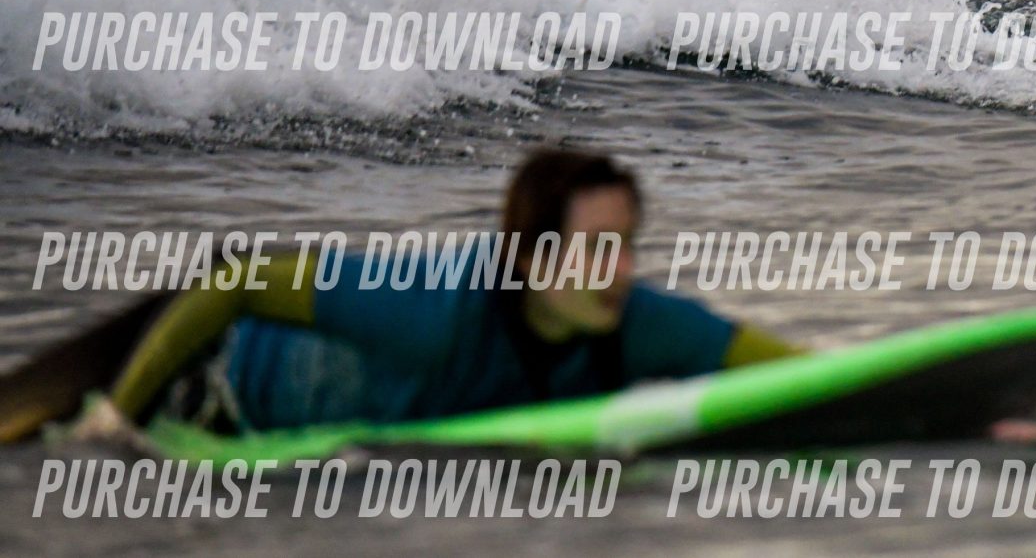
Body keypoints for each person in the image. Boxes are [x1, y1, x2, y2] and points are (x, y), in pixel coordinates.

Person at [72, 147, 797, 438]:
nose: (623, 270)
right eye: (600, 248)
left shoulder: (630, 319)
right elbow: (239, 278)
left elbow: (798, 373)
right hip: (219, 388)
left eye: (629, 244)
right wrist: (119, 416)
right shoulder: (434, 308)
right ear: (531, 256)